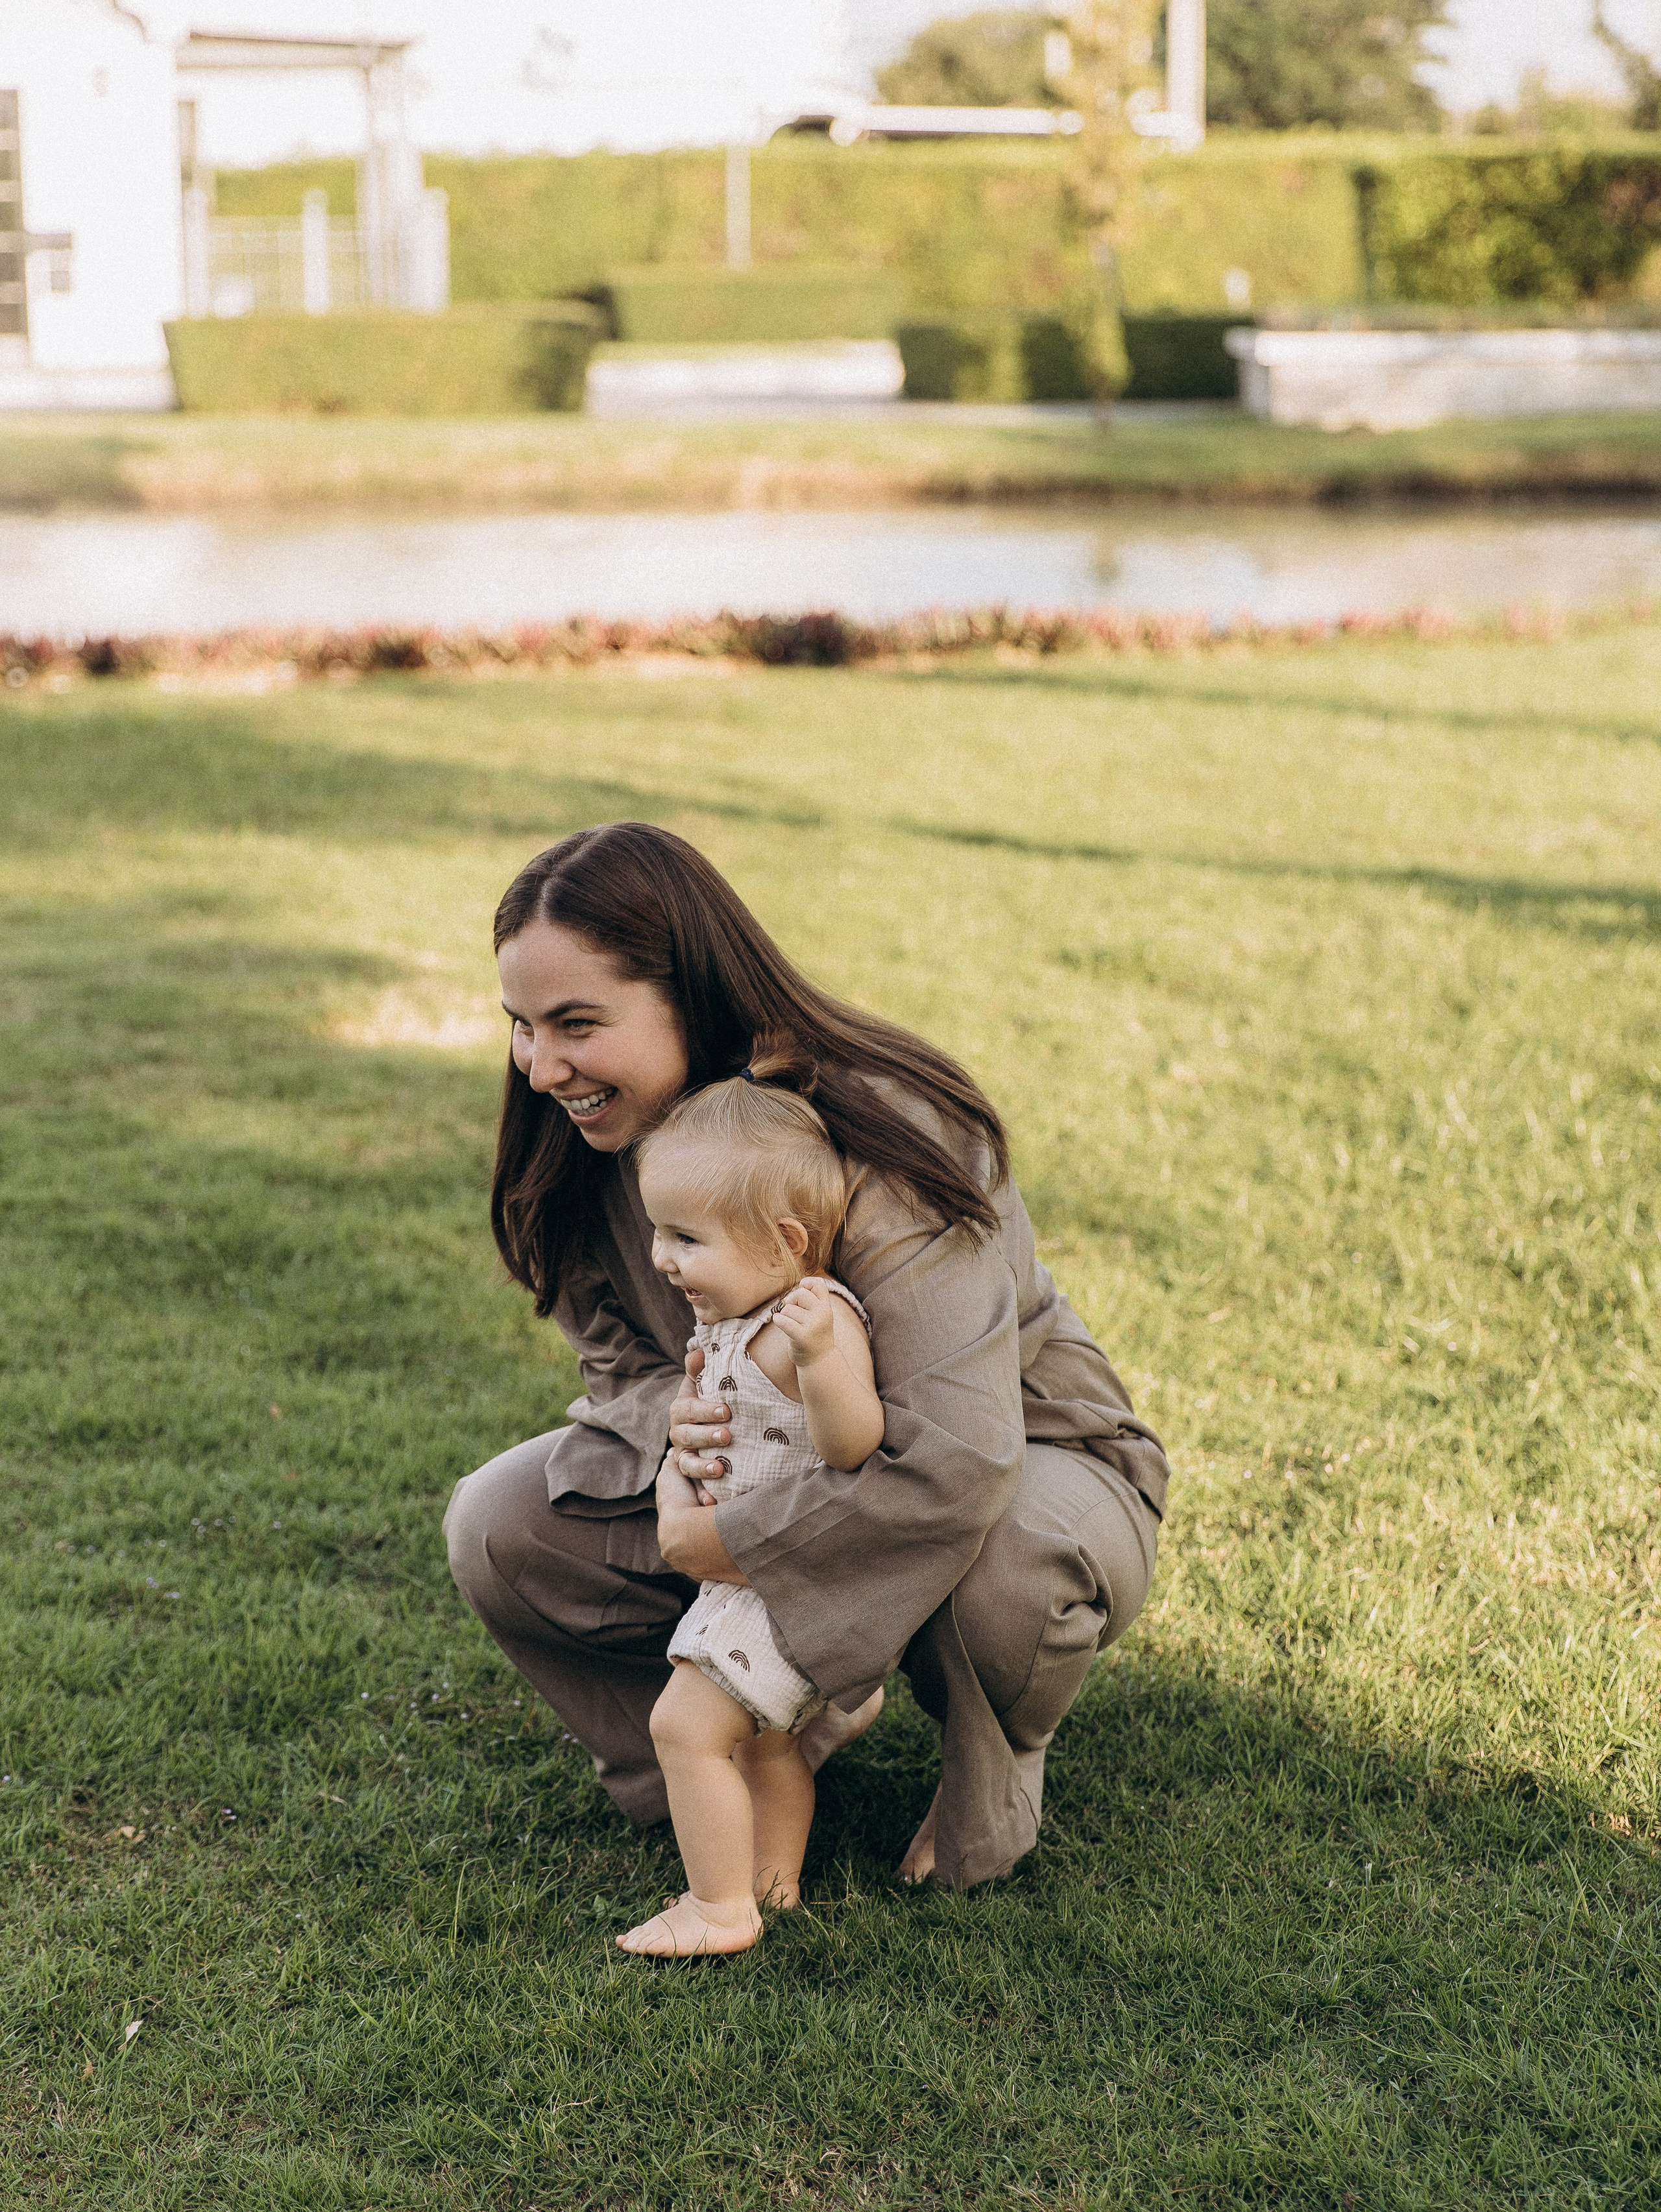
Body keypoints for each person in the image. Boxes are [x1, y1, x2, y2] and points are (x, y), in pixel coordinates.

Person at [444, 821, 1170, 1893]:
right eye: (522, 1025)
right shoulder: (583, 1146)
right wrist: (679, 1441)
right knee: (500, 1525)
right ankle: (731, 1756)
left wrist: (718, 1537)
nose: (543, 1067)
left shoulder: (891, 1132)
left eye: (577, 1024)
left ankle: (995, 1763)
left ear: (688, 995)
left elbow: (959, 1460)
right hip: (780, 1468)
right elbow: (625, 1375)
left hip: (1028, 1462)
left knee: (1002, 1559)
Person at [617, 1061, 884, 1956]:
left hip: (782, 1586)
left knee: (683, 1726)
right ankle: (773, 1883)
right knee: (764, 1746)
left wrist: (817, 1360)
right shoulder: (740, 1315)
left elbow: (853, 1442)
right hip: (748, 1580)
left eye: (685, 1238)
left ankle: (718, 1906)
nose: (663, 1257)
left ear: (783, 1241)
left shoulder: (811, 1320)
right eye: (660, 1232)